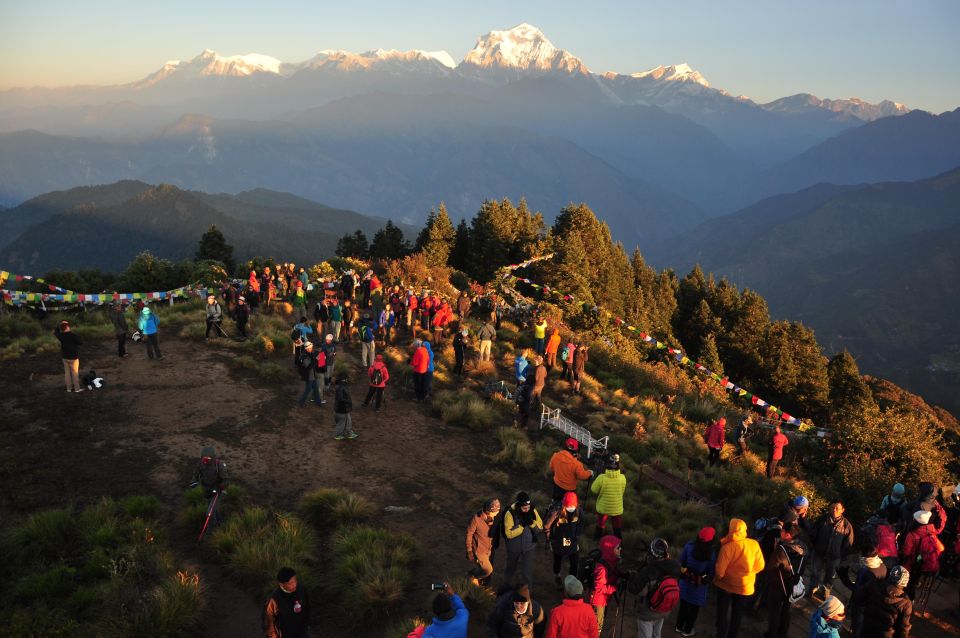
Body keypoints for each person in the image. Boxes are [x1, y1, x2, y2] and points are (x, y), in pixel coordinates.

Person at [713, 518, 765, 638]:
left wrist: (721, 578)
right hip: (744, 587)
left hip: (725, 586)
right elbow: (761, 565)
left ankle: (720, 634)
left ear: (731, 530)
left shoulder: (726, 547)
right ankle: (732, 635)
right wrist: (749, 573)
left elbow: (719, 572)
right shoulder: (754, 544)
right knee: (737, 613)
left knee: (722, 611)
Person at [764, 519, 807, 638]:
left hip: (778, 586)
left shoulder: (781, 550)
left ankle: (772, 633)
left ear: (787, 534)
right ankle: (782, 633)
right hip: (793, 584)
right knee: (786, 610)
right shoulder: (803, 548)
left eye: (782, 531)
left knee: (775, 612)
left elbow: (772, 568)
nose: (780, 532)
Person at [809, 501, 855, 600]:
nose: (834, 510)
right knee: (815, 572)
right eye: (833, 507)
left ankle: (825, 592)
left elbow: (848, 543)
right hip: (819, 552)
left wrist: (840, 554)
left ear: (842, 510)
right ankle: (812, 589)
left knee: (830, 576)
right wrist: (816, 546)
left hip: (834, 556)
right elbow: (813, 533)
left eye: (837, 508)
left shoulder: (847, 525)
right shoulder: (822, 519)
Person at [676, 527, 717, 637]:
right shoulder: (711, 554)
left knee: (683, 605)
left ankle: (679, 626)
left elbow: (682, 561)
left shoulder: (689, 546)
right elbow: (711, 571)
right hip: (699, 586)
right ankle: (687, 630)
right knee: (694, 609)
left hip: (685, 582)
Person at [900, 509, 944, 599]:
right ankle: (917, 587)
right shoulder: (932, 531)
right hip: (926, 564)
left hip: (914, 564)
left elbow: (906, 552)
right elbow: (941, 548)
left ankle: (908, 598)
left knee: (908, 582)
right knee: (915, 579)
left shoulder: (912, 534)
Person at [502, 492, 543, 588]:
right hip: (514, 548)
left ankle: (527, 594)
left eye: (528, 507)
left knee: (527, 572)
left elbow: (540, 527)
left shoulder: (532, 510)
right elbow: (509, 534)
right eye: (524, 508)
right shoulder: (510, 514)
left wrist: (531, 523)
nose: (527, 510)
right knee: (510, 568)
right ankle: (507, 587)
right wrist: (521, 526)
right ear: (519, 506)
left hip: (529, 547)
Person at [544, 492, 585, 589]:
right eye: (568, 506)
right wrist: (550, 540)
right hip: (558, 541)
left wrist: (576, 536)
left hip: (572, 541)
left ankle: (572, 581)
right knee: (558, 560)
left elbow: (581, 525)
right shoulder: (556, 512)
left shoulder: (579, 512)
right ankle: (557, 576)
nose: (571, 508)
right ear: (564, 504)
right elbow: (546, 526)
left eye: (572, 506)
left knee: (574, 563)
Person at [860, 566, 912, 638]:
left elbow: (860, 599)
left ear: (890, 576)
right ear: (905, 583)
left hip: (866, 629)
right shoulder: (906, 603)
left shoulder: (876, 586)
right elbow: (903, 628)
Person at [847, 546, 888, 638]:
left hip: (861, 605)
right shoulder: (883, 566)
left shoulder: (865, 572)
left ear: (866, 558)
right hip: (873, 605)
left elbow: (857, 590)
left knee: (857, 629)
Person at [263, 567, 311, 638]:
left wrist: (307, 625)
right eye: (290, 583)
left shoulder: (301, 589)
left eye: (295, 580)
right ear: (281, 584)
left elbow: (307, 608)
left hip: (302, 634)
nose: (294, 584)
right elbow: (268, 624)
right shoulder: (273, 600)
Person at [589, 535, 622, 633]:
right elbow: (599, 588)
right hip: (598, 601)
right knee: (596, 627)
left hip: (604, 599)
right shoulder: (602, 569)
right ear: (609, 549)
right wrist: (614, 588)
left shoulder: (611, 561)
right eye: (618, 547)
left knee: (599, 621)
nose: (621, 549)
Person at [466, 498, 502, 587]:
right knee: (488, 570)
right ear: (489, 510)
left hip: (490, 548)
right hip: (479, 550)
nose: (497, 513)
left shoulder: (496, 516)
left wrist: (496, 542)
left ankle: (483, 586)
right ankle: (472, 575)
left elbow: (497, 529)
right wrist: (469, 550)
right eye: (495, 511)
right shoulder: (476, 519)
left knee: (487, 569)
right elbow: (469, 534)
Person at [590, 454, 626, 539]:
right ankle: (619, 541)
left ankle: (597, 539)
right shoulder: (623, 478)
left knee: (601, 524)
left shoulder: (601, 478)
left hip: (603, 508)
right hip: (617, 508)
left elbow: (593, 490)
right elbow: (622, 492)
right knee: (617, 525)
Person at [549, 438, 593, 503]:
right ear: (576, 449)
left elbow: (551, 467)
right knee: (568, 506)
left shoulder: (556, 455)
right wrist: (590, 472)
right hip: (569, 490)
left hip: (557, 485)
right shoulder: (577, 464)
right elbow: (582, 475)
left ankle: (552, 508)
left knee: (555, 503)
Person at [53, 320, 83, 393]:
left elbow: (55, 332)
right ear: (67, 327)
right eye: (68, 325)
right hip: (73, 358)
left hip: (65, 357)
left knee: (67, 373)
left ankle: (69, 389)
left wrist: (59, 325)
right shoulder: (73, 335)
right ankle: (77, 389)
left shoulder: (60, 335)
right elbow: (81, 342)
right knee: (75, 373)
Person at [296, 341, 325, 408]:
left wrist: (320, 356)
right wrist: (316, 360)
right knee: (308, 390)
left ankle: (318, 402)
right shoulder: (304, 356)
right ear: (307, 348)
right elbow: (308, 366)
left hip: (312, 375)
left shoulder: (309, 353)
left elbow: (315, 357)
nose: (312, 349)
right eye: (311, 348)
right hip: (308, 376)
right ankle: (301, 402)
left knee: (316, 389)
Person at [333, 375, 357, 440]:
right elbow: (341, 399)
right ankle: (337, 435)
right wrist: (348, 401)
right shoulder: (340, 388)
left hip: (343, 409)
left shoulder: (340, 387)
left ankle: (348, 433)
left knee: (348, 421)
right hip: (342, 409)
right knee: (341, 423)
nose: (346, 381)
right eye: (345, 380)